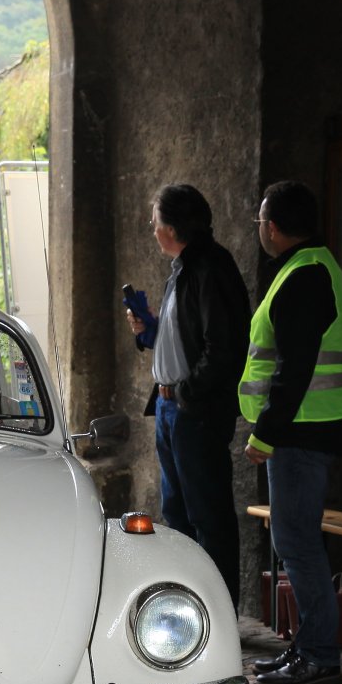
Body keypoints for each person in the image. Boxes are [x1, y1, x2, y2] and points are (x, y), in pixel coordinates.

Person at [240, 180, 342, 684]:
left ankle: (319, 656)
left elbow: (295, 367)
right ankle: (309, 646)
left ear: (274, 227)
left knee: (298, 544)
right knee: (296, 541)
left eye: (261, 221)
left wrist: (266, 433)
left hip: (301, 431)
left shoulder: (305, 275)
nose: (260, 229)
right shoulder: (309, 267)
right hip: (305, 428)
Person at [124, 183, 249, 601]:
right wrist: (150, 331)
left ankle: (220, 612)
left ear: (172, 229)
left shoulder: (211, 268)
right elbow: (184, 338)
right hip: (170, 407)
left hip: (194, 409)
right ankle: (188, 609)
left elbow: (223, 347)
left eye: (155, 222)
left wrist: (188, 392)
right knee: (176, 514)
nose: (152, 229)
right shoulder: (183, 269)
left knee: (208, 516)